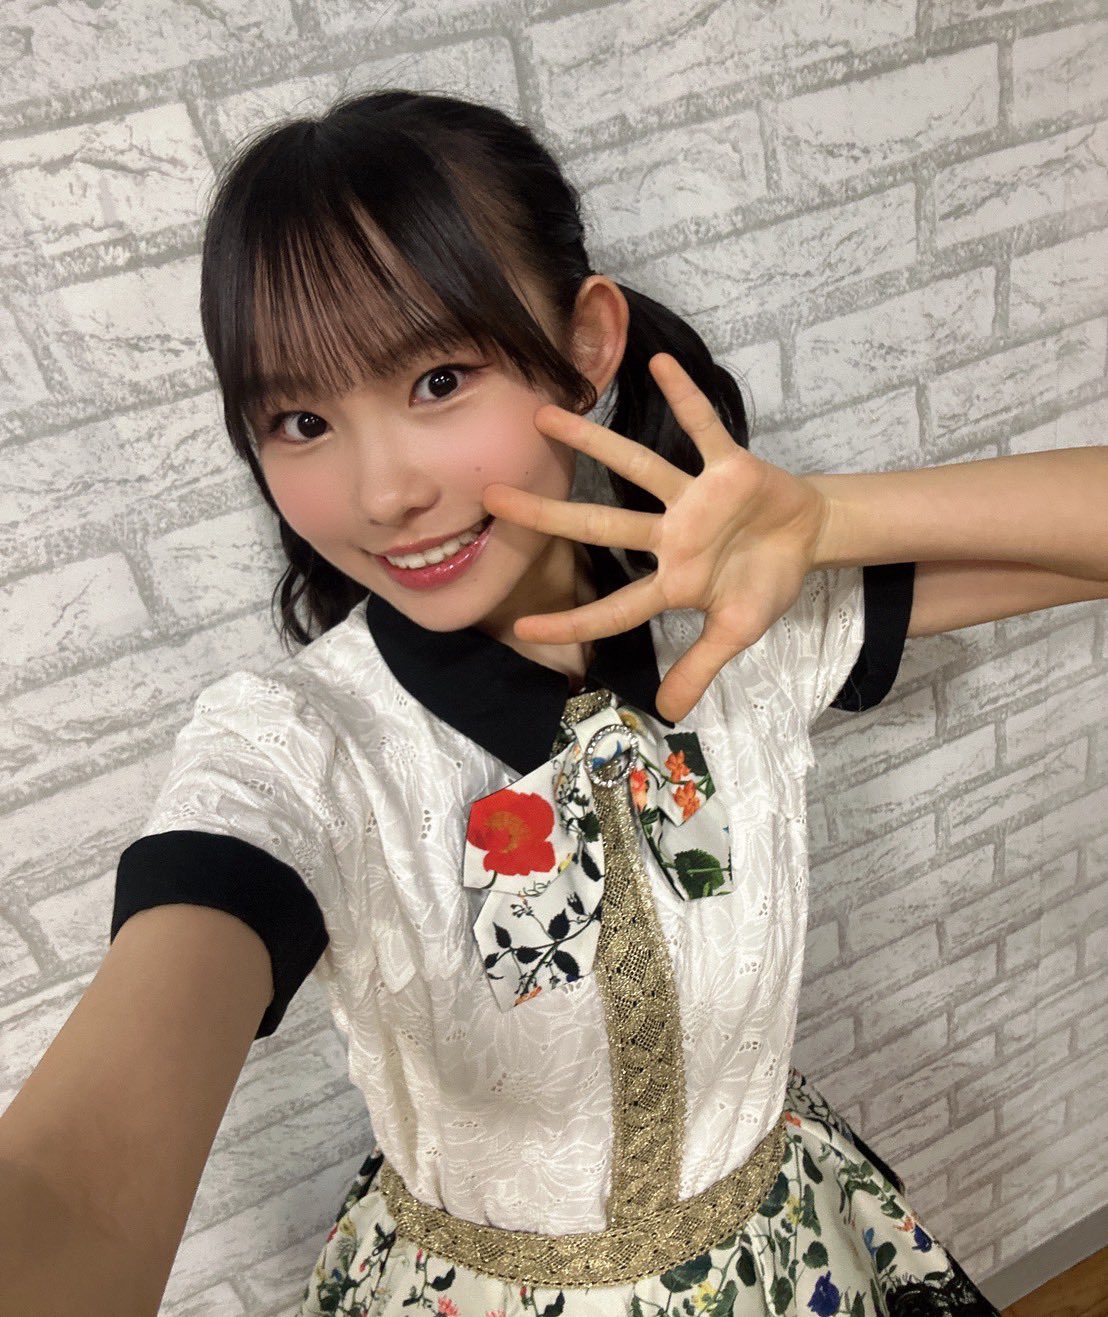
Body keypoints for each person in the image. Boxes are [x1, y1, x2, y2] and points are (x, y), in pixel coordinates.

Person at [4, 89, 1104, 1317]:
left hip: (784, 1259)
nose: (380, 493)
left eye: (437, 379)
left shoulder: (736, 620)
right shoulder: (300, 749)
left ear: (584, 347)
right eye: (302, 420)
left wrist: (834, 517)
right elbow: (79, 1181)